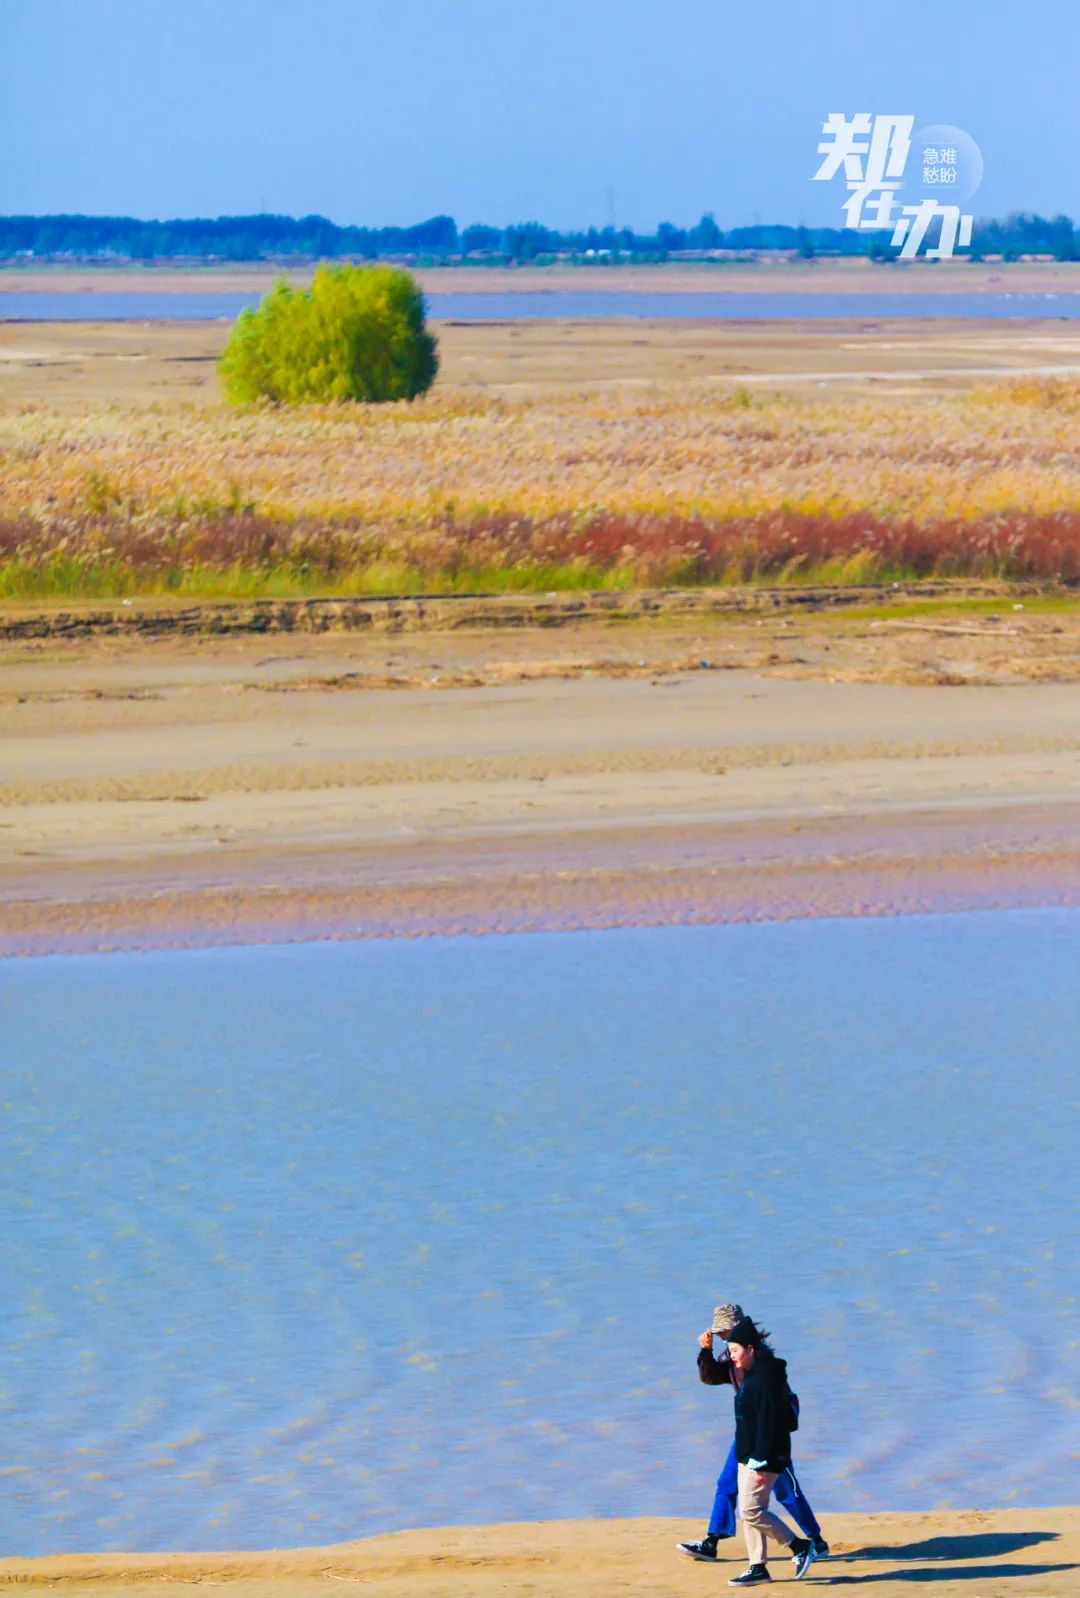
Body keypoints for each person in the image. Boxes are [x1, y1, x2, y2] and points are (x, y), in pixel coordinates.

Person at [679, 1303, 829, 1566]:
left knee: (787, 1491)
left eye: (723, 1333)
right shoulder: (733, 1355)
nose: (721, 1338)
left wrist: (765, 1448)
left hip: (770, 1434)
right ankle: (713, 1541)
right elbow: (711, 1377)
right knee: (726, 1483)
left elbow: (774, 1404)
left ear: (735, 1329)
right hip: (748, 1434)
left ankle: (815, 1540)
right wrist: (705, 1350)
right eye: (721, 1334)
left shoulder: (757, 1358)